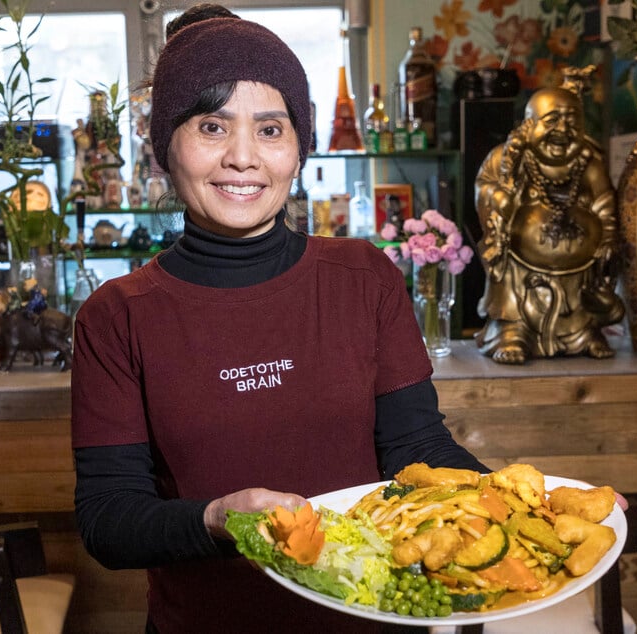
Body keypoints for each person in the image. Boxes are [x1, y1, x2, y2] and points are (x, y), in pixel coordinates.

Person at [70, 8, 487, 633]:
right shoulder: (117, 316)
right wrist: (217, 519)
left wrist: (517, 501)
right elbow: (108, 518)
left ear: (298, 147)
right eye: (212, 126)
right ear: (165, 146)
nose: (243, 158)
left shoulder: (362, 276)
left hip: (371, 618)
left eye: (270, 128)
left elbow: (418, 449)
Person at [474, 67, 624, 364]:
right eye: (552, 120)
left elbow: (605, 202)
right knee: (513, 296)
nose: (562, 130)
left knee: (583, 299)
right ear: (528, 125)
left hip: (577, 262)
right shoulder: (504, 157)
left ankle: (581, 335)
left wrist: (607, 238)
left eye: (572, 122)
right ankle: (513, 333)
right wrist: (502, 194)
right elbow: (484, 189)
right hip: (520, 261)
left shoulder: (587, 163)